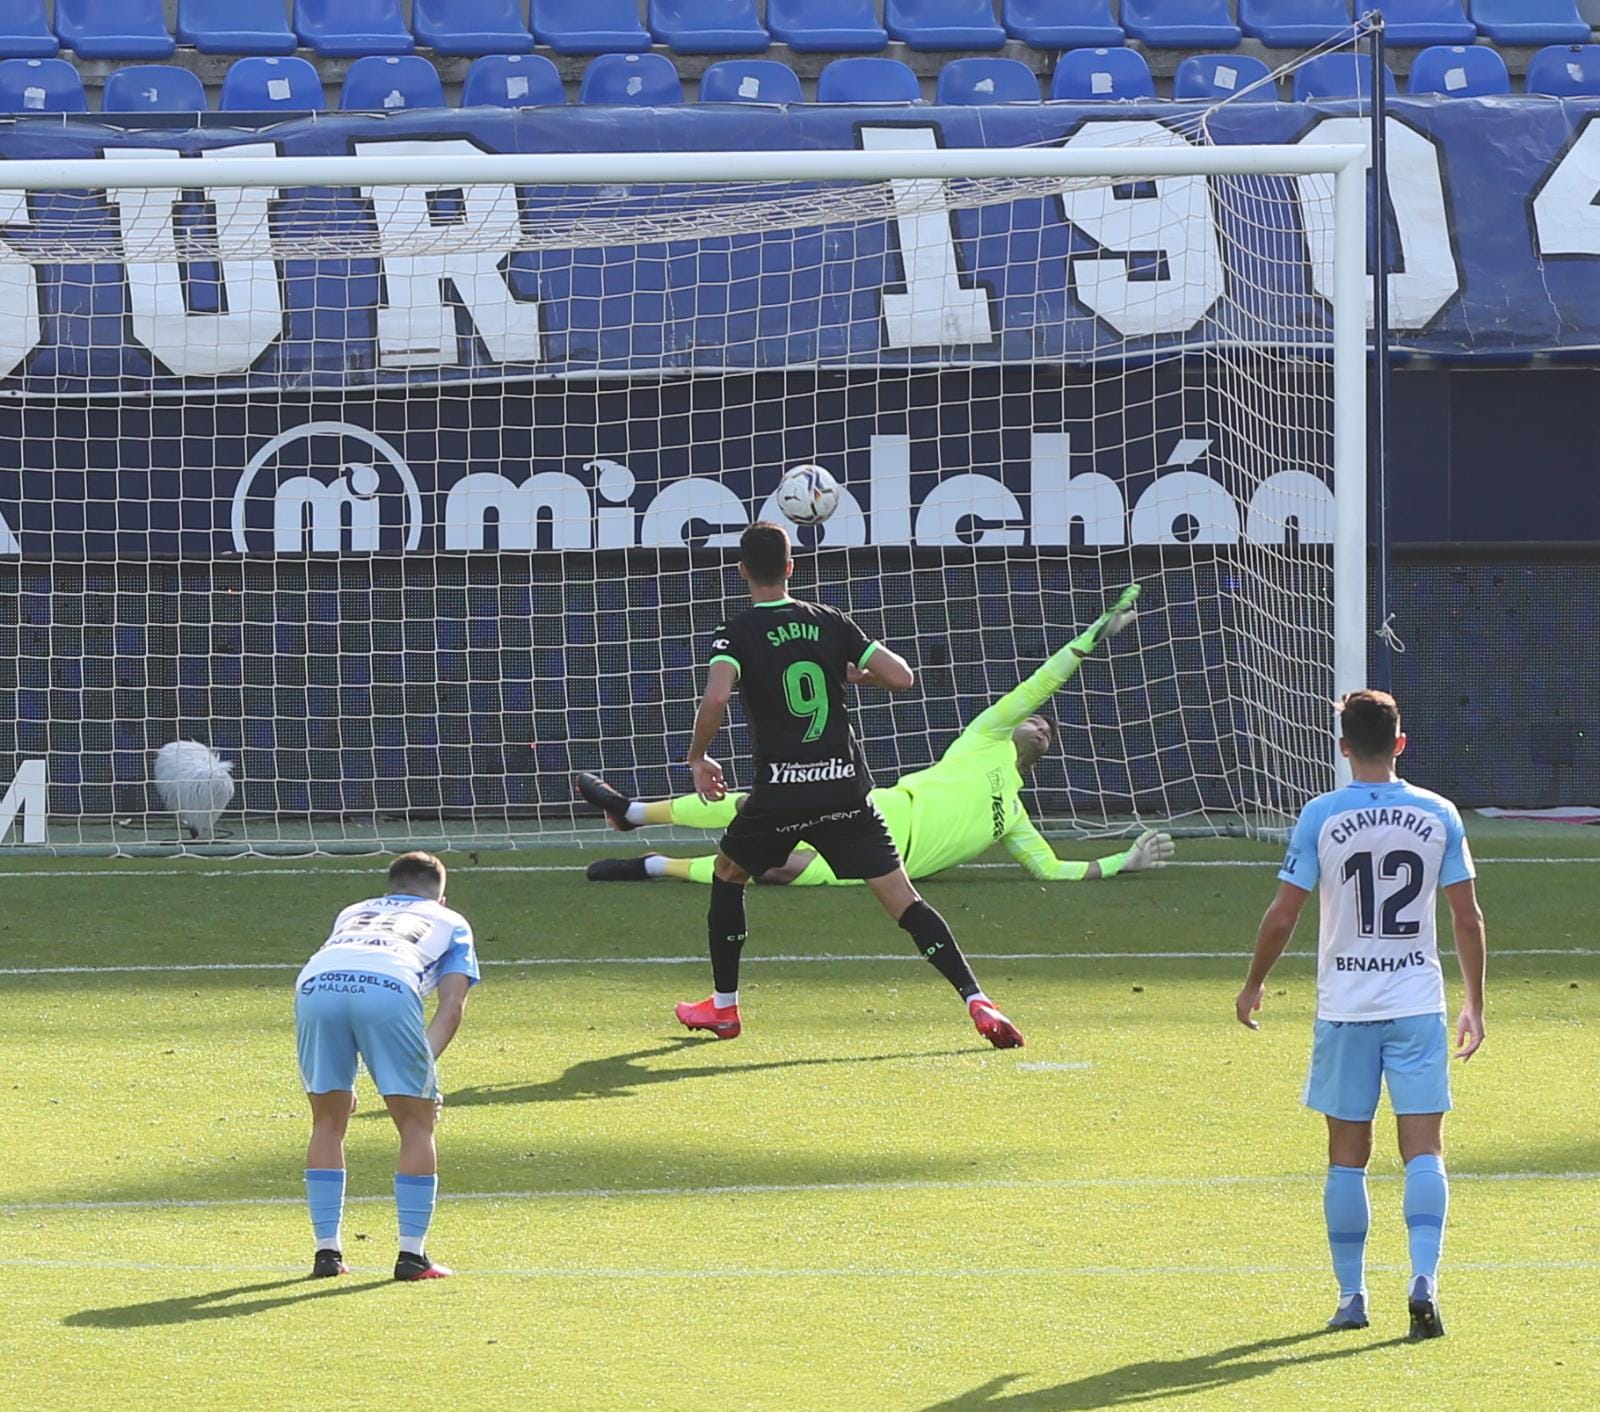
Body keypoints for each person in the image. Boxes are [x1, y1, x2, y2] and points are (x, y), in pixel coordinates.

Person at [671, 520, 1023, 1049]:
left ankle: (724, 1009)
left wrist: (699, 757)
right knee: (905, 902)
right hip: (843, 789)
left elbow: (717, 696)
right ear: (791, 568)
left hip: (781, 792)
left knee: (728, 874)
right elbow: (902, 676)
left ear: (742, 571)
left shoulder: (735, 632)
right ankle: (977, 999)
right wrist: (858, 673)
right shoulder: (830, 622)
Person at [576, 584, 1172, 888]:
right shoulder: (984, 737)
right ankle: (633, 810)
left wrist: (1126, 861)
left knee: (777, 870)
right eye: (1038, 719)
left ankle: (655, 866)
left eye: (1048, 731)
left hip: (881, 861)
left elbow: (1053, 871)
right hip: (874, 809)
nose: (1042, 723)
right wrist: (1100, 632)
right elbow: (1045, 679)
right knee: (760, 806)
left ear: (1039, 760)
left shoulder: (1014, 816)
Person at [1234, 689, 1486, 1340]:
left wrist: (1254, 984)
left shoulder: (1323, 814)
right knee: (1423, 1149)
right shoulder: (1437, 814)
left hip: (1346, 1008)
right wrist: (1476, 1004)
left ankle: (1352, 1297)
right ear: (1400, 743)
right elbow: (1466, 917)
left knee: (1347, 1155)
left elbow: (1284, 913)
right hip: (1417, 1005)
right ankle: (1424, 1279)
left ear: (1343, 747)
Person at [294, 850, 480, 1281]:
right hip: (388, 984)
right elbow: (451, 1007)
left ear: (390, 888)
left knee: (327, 1120)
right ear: (441, 897)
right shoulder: (450, 922)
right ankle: (412, 1257)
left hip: (316, 982)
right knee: (416, 1122)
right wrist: (419, 1075)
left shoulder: (354, 911)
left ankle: (327, 1253)